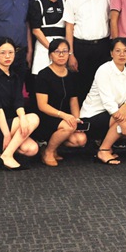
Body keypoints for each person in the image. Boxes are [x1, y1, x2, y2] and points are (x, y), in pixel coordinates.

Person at [77, 38, 126, 166]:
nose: (122, 54)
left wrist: (124, 108)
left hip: (114, 116)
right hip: (93, 116)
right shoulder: (104, 70)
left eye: (125, 51)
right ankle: (104, 150)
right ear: (111, 53)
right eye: (118, 51)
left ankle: (105, 141)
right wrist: (123, 123)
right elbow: (107, 102)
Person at [0, 36, 39, 170]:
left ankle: (3, 154)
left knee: (32, 149)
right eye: (3, 53)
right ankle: (7, 155)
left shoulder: (15, 77)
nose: (7, 56)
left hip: (11, 123)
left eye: (11, 52)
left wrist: (22, 119)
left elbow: (18, 102)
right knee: (34, 118)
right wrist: (6, 134)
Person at [64, 0, 111, 99]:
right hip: (81, 48)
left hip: (103, 47)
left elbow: (113, 22)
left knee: (103, 86)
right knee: (81, 86)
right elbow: (69, 28)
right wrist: (70, 54)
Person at [34, 38, 86, 166]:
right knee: (68, 127)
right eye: (57, 51)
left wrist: (77, 119)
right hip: (46, 118)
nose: (61, 55)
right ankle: (48, 152)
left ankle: (53, 146)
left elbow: (73, 100)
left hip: (64, 118)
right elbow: (42, 106)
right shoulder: (43, 75)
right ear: (50, 55)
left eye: (65, 51)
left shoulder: (72, 75)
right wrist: (64, 116)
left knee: (80, 139)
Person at [29, 0, 65, 77]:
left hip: (62, 47)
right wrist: (52, 49)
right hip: (43, 47)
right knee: (42, 77)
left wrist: (61, 51)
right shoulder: (38, 3)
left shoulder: (64, 3)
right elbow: (36, 30)